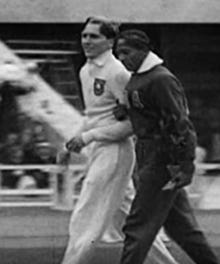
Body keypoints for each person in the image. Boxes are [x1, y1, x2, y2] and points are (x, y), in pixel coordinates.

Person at [61, 17, 180, 264]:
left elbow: (132, 124)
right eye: (84, 35)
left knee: (85, 217)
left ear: (110, 41)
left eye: (94, 36)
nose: (86, 41)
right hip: (98, 150)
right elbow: (94, 115)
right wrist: (76, 139)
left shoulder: (117, 73)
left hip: (114, 152)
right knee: (130, 221)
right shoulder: (86, 70)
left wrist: (87, 137)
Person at [114, 29, 219, 264]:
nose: (121, 58)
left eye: (126, 52)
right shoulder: (139, 78)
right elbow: (150, 111)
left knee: (137, 226)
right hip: (149, 155)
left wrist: (186, 164)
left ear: (144, 51)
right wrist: (127, 111)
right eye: (118, 53)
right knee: (181, 228)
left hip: (161, 157)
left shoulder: (160, 79)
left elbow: (180, 121)